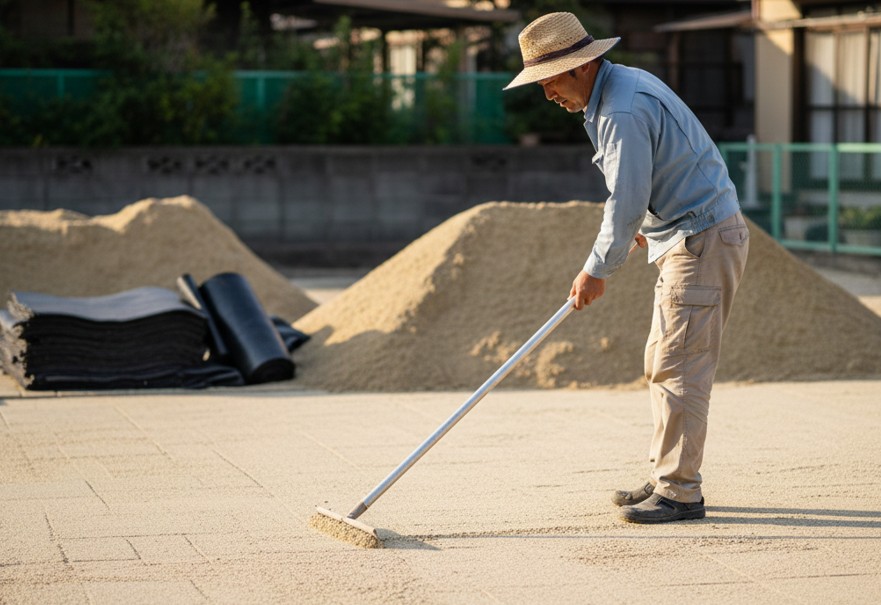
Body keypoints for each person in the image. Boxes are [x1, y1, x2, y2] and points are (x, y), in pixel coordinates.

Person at [504, 12, 750, 524]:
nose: (548, 96)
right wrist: (645, 225)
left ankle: (680, 491)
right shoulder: (626, 87)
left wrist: (597, 269)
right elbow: (664, 172)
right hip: (691, 232)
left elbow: (626, 198)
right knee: (665, 360)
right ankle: (667, 474)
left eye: (549, 82)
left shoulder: (620, 110)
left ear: (580, 67)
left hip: (701, 240)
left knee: (679, 367)